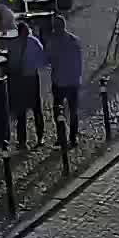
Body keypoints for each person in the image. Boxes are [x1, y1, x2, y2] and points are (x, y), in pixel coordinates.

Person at [45, 15, 83, 145]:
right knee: (73, 111)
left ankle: (62, 137)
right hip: (72, 81)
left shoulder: (52, 42)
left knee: (59, 111)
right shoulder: (74, 40)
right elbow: (79, 62)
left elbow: (47, 60)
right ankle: (73, 137)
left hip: (60, 82)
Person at [9, 20, 48, 147]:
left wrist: (31, 67)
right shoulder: (18, 44)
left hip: (28, 78)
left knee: (34, 109)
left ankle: (36, 138)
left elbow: (42, 59)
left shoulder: (31, 42)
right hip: (24, 79)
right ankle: (25, 140)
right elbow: (11, 61)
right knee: (24, 111)